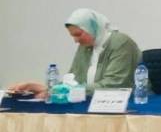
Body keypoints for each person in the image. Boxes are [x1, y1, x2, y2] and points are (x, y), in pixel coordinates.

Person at [8, 8, 141, 97]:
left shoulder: (121, 43)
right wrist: (38, 87)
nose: (76, 41)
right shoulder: (86, 46)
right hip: (90, 103)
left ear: (93, 27)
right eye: (73, 36)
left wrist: (60, 92)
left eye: (78, 34)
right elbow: (73, 81)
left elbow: (113, 85)